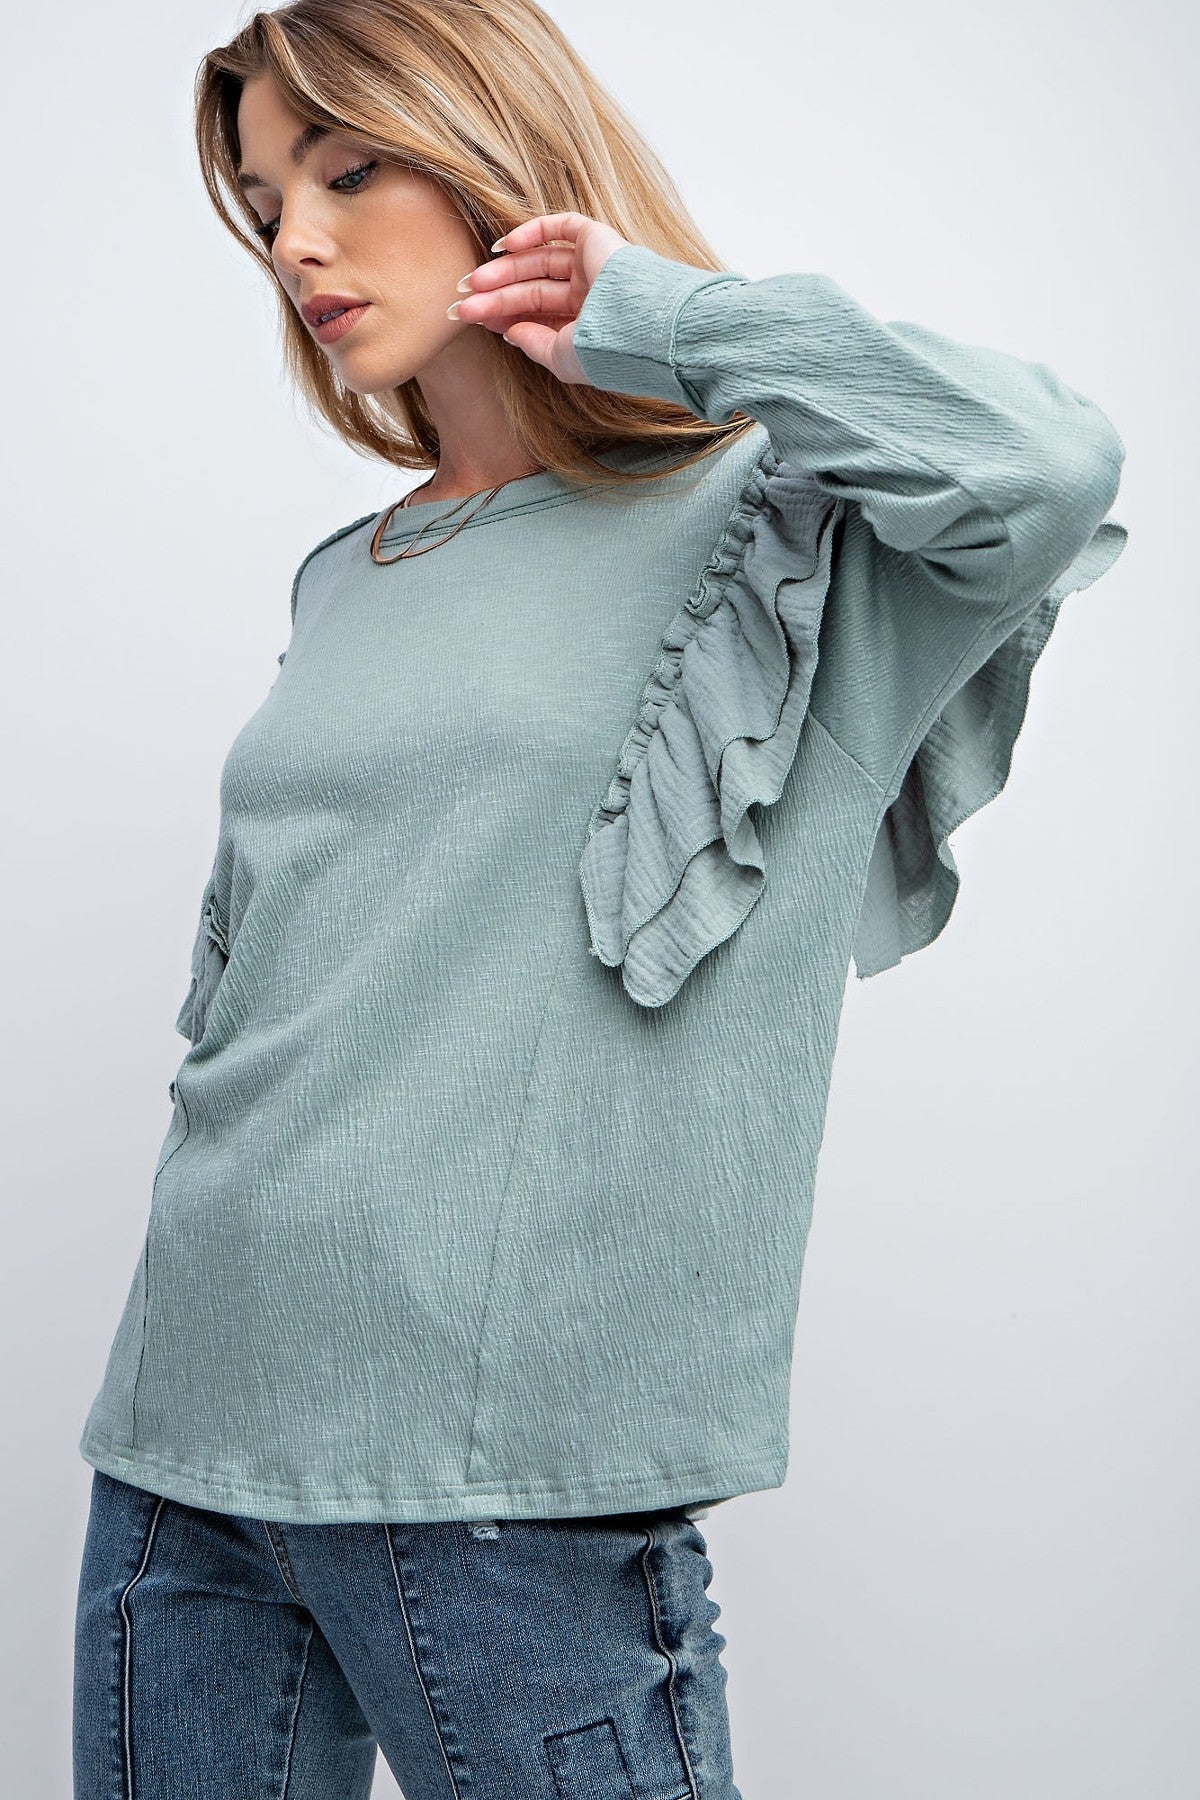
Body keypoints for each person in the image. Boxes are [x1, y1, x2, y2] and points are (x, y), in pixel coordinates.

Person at [71, 0, 1129, 1794]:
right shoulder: (355, 569)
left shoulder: (788, 529)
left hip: (511, 1491)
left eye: (350, 165)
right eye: (264, 204)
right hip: (185, 1437)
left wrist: (659, 317)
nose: (300, 241)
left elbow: (1045, 467)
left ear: (497, 152)